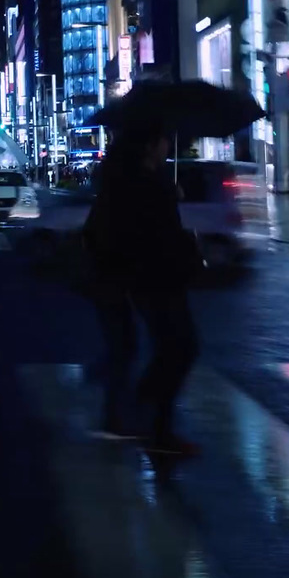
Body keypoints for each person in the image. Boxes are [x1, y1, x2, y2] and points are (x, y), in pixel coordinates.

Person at [84, 128, 201, 455]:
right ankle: (149, 419)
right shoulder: (140, 184)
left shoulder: (135, 179)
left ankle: (151, 420)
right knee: (179, 346)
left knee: (173, 347)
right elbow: (152, 234)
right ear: (149, 143)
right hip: (154, 277)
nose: (169, 143)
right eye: (165, 137)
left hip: (149, 278)